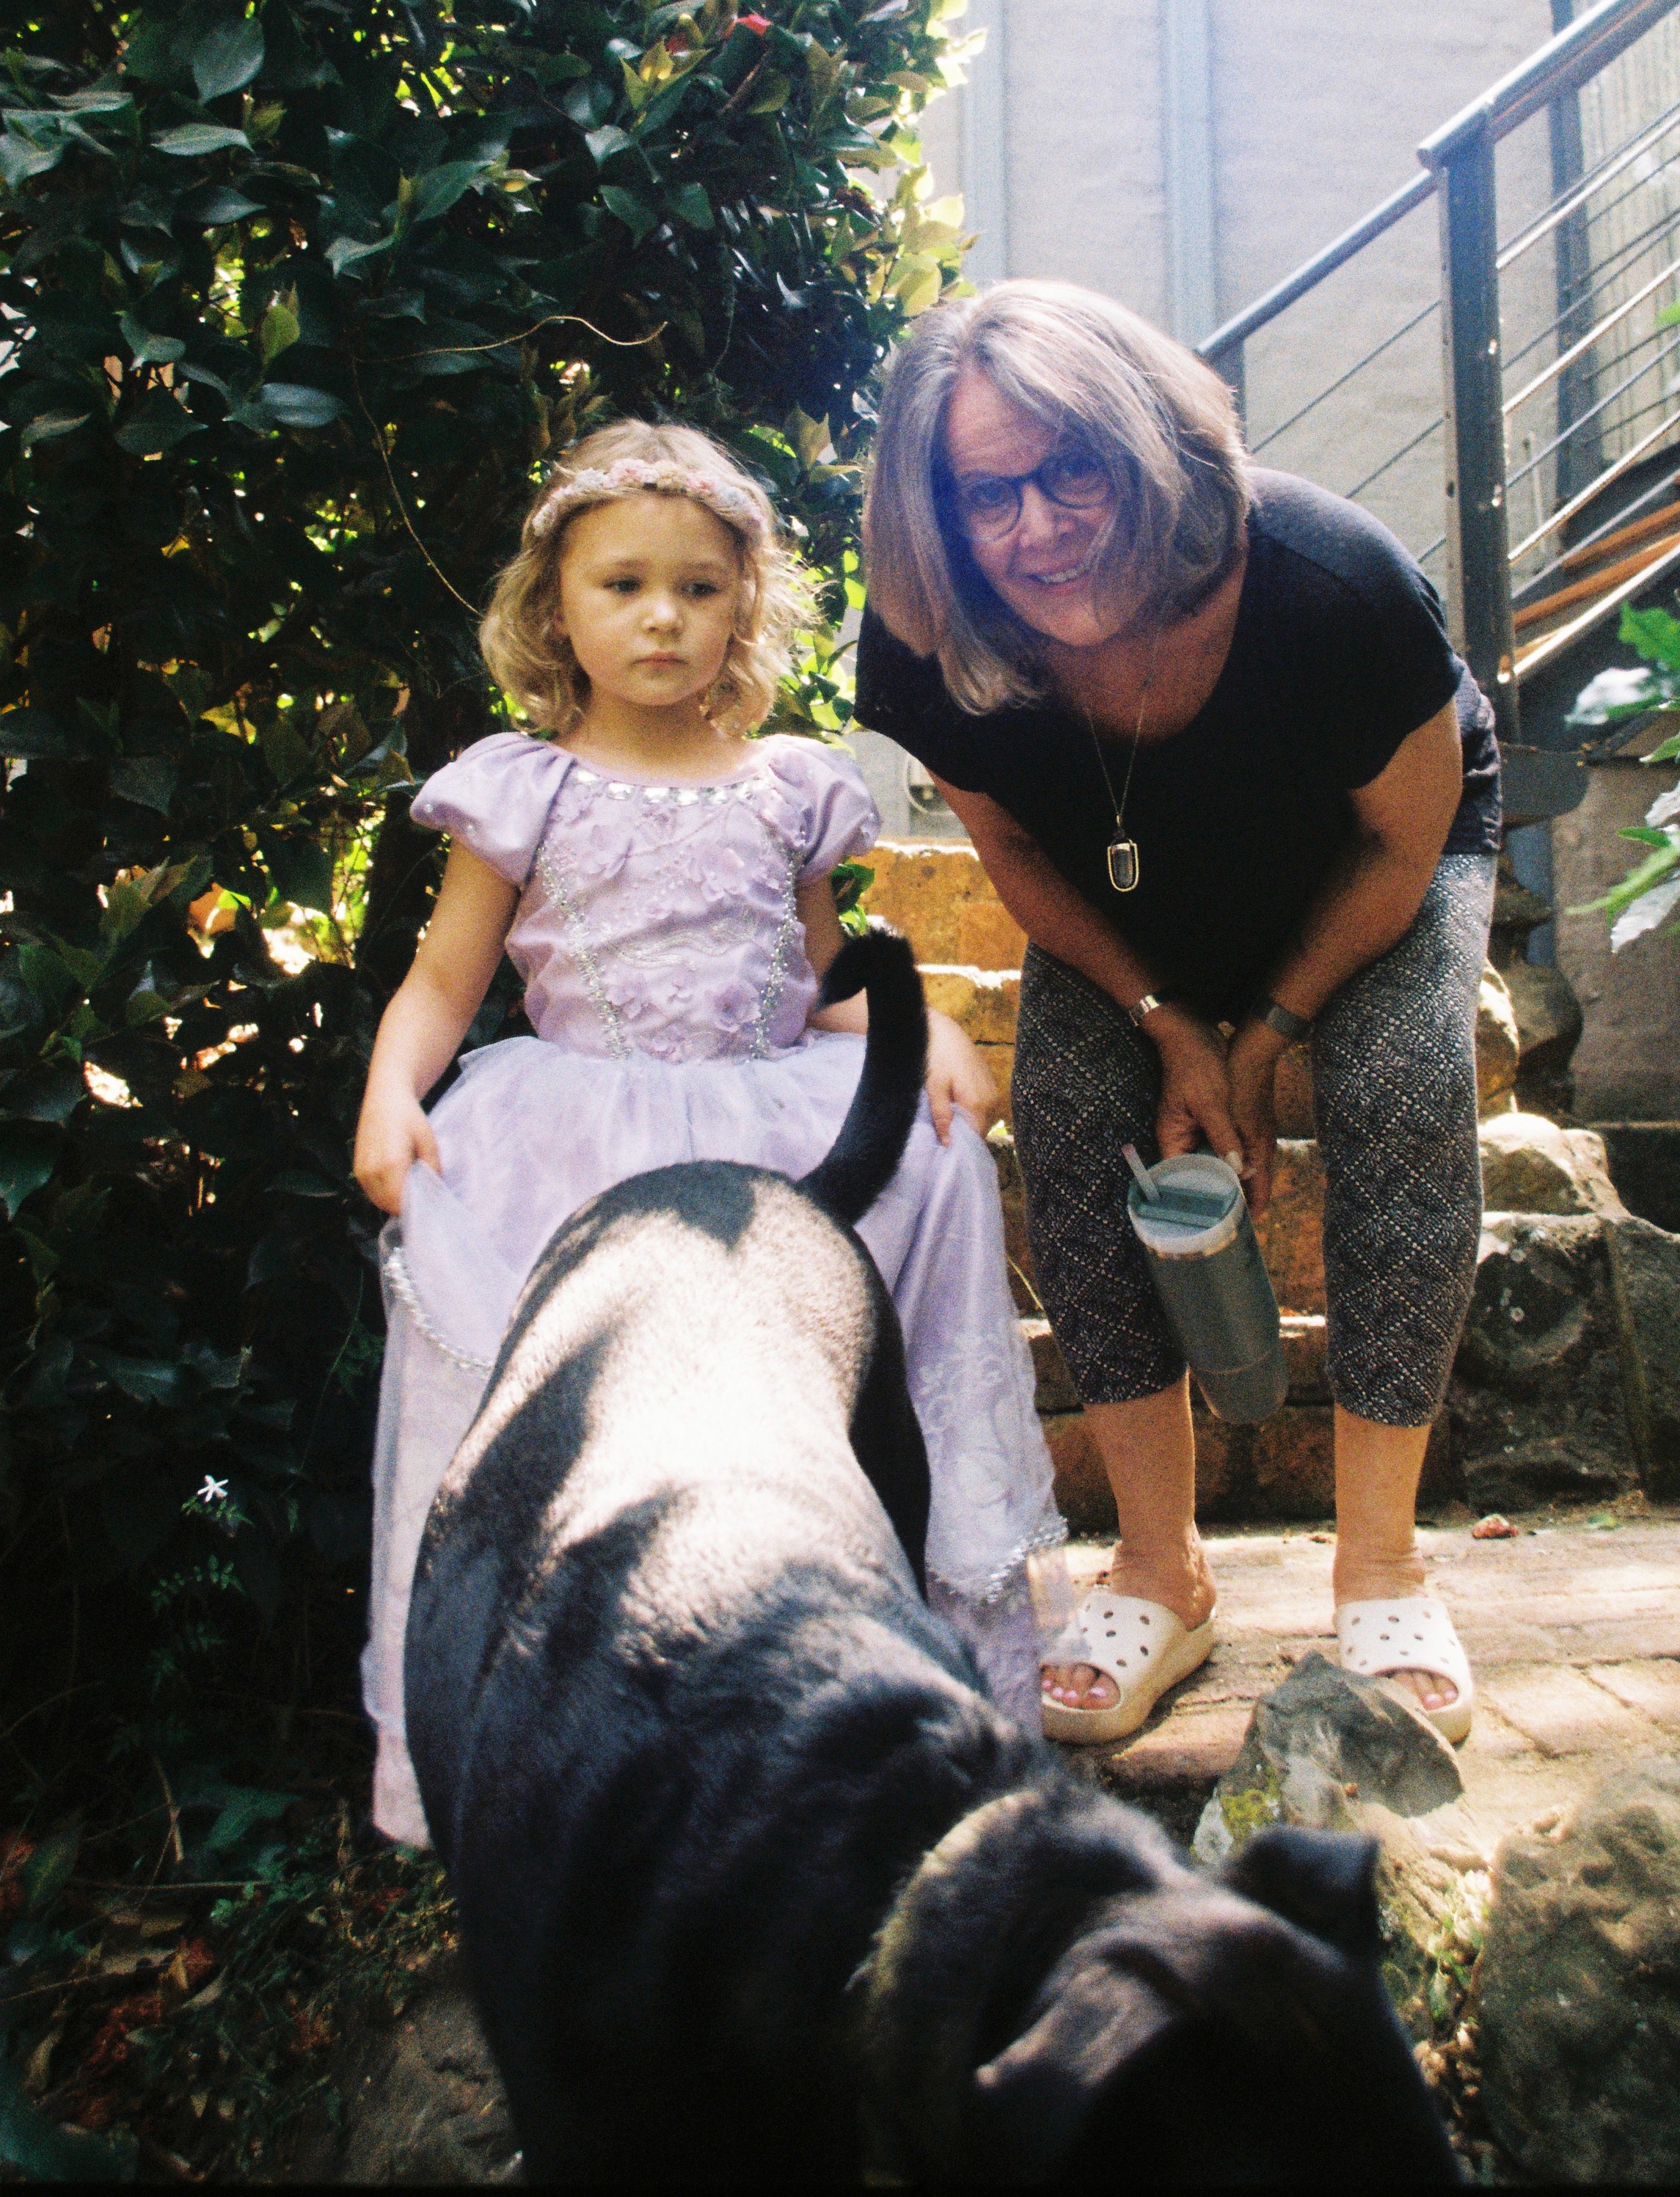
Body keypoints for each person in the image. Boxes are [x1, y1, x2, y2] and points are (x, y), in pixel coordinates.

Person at [354, 420, 1063, 1843]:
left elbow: (812, 986)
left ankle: (902, 1647)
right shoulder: (525, 787)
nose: (662, 616)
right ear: (556, 605)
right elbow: (444, 982)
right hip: (576, 1128)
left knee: (925, 1178)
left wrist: (918, 1039)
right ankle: (541, 1716)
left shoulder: (782, 784)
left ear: (745, 601)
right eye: (622, 585)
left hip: (767, 1121)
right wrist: (391, 1093)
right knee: (561, 1396)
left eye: (696, 585)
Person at [855, 281, 1499, 1748]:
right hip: (1128, 906)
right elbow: (1011, 848)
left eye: (1069, 466)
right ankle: (1159, 1569)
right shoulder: (925, 627)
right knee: (1071, 1106)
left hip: (1361, 872)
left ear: (1140, 443)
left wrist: (1261, 1035)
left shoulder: (1328, 583)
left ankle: (1382, 1568)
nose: (1034, 522)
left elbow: (1402, 843)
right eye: (985, 491)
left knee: (1401, 1077)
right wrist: (1161, 1016)